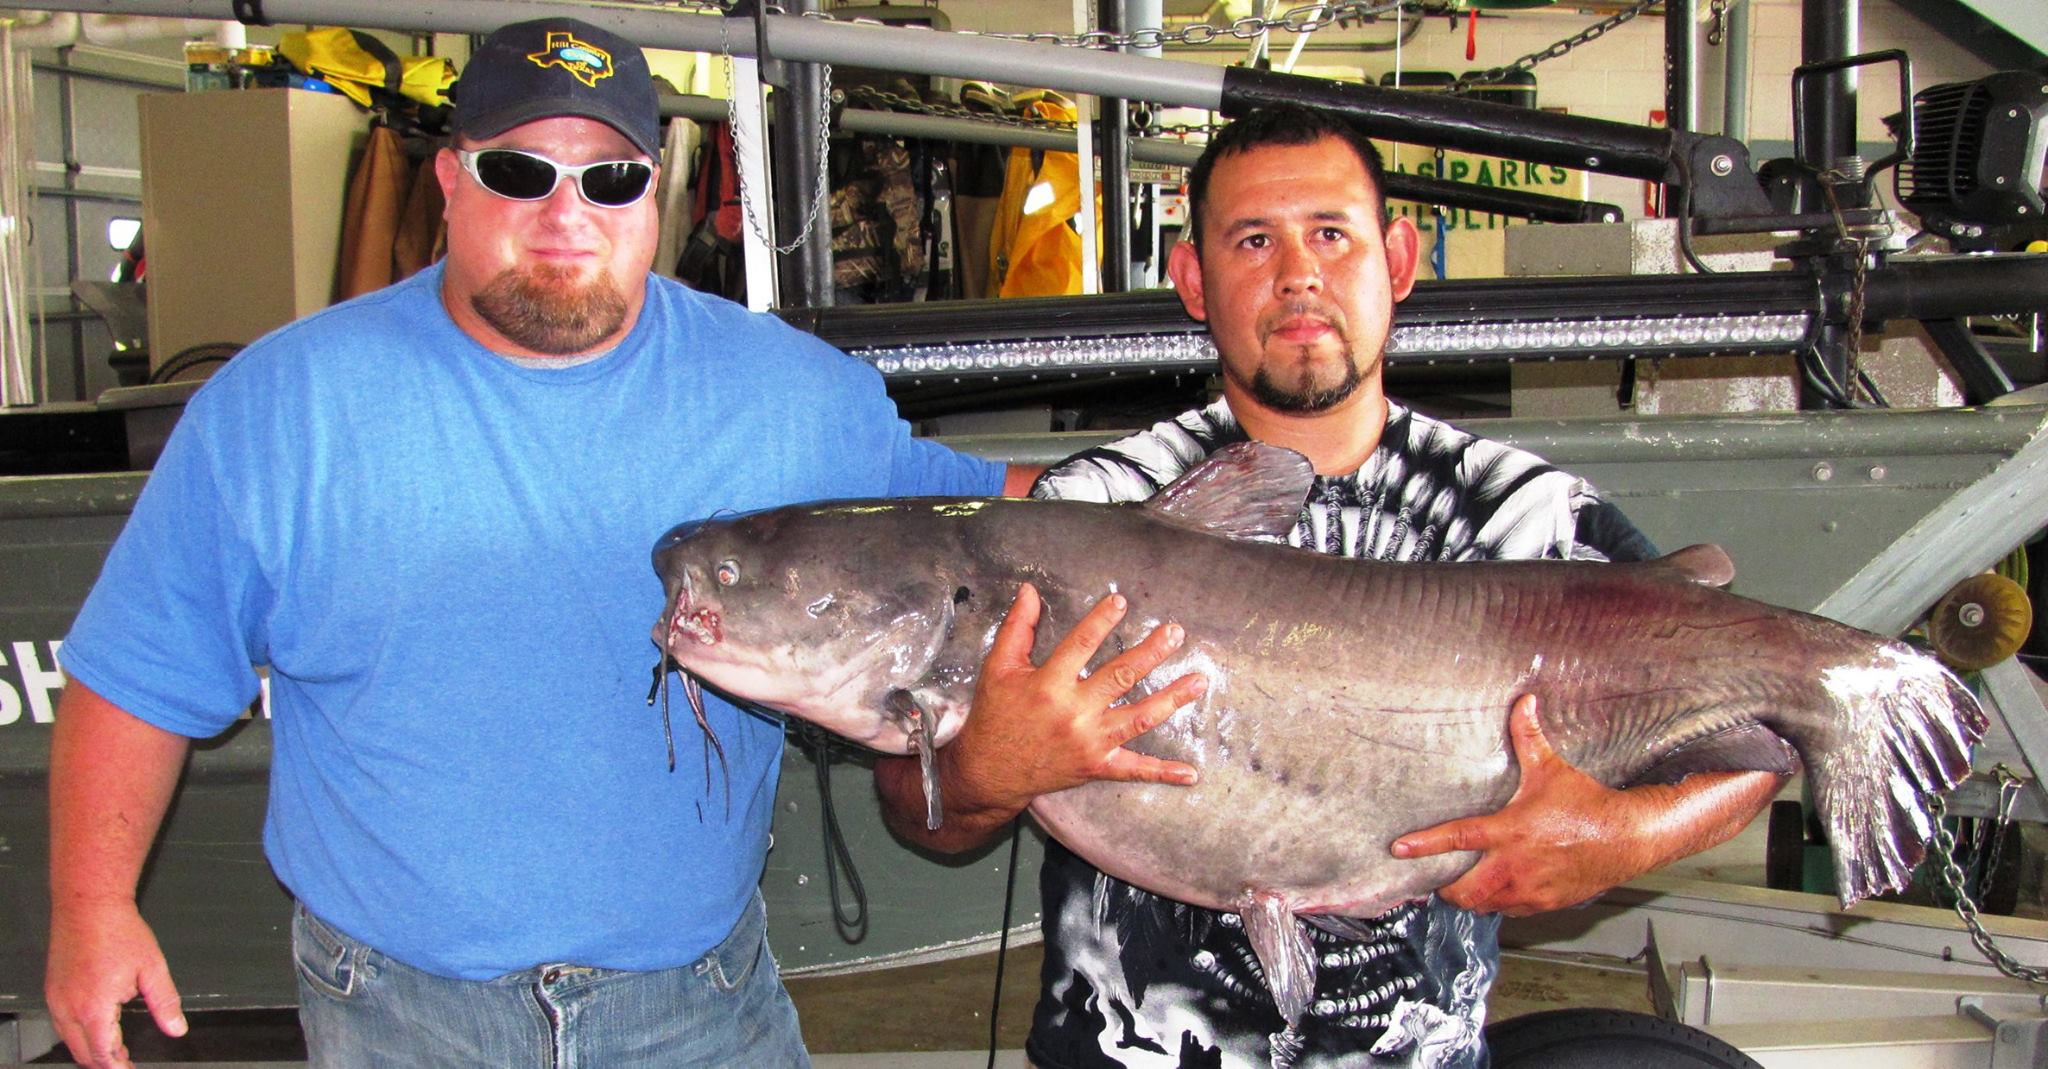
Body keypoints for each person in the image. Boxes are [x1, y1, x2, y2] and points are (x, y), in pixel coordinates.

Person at [43, 18, 1036, 1069]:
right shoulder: (283, 409)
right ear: (449, 180)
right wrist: (91, 908)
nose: (568, 215)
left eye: (610, 179)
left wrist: (1164, 475)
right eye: (520, 172)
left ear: (653, 190)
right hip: (397, 1016)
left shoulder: (793, 397)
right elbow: (138, 675)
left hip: (700, 1010)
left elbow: (1008, 523)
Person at [874, 104, 1787, 1068]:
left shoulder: (1527, 518)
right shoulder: (1087, 510)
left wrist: (1624, 836)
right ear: (1193, 280)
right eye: (1254, 240)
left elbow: (1774, 719)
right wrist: (978, 774)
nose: (1298, 273)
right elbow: (914, 805)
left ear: (1397, 259)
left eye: (1330, 234)